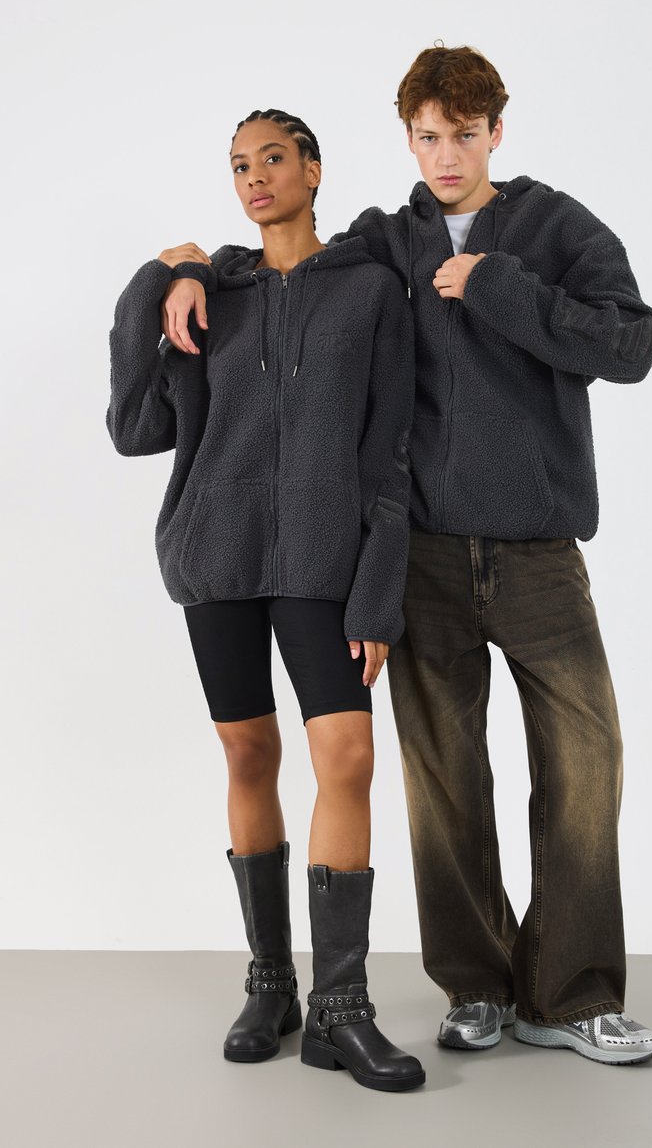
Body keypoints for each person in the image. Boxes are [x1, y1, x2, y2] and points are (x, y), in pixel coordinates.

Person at [161, 44, 652, 1067]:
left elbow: (630, 346)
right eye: (428, 137)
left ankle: (569, 995)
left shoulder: (556, 229)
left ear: (495, 133)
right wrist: (180, 265)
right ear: (408, 138)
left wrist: (499, 286)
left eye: (464, 136)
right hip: (424, 553)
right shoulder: (385, 240)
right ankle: (476, 988)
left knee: (586, 760)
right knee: (443, 780)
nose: (445, 157)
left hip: (538, 550)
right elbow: (286, 267)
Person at [106, 108, 425, 1092]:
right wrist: (164, 276)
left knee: (348, 756)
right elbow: (133, 427)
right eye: (239, 164)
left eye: (273, 158)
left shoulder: (371, 290)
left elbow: (391, 450)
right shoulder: (213, 294)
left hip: (326, 562)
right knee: (248, 753)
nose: (254, 177)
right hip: (221, 558)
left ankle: (341, 1007)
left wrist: (378, 593)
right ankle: (272, 983)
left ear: (313, 169)